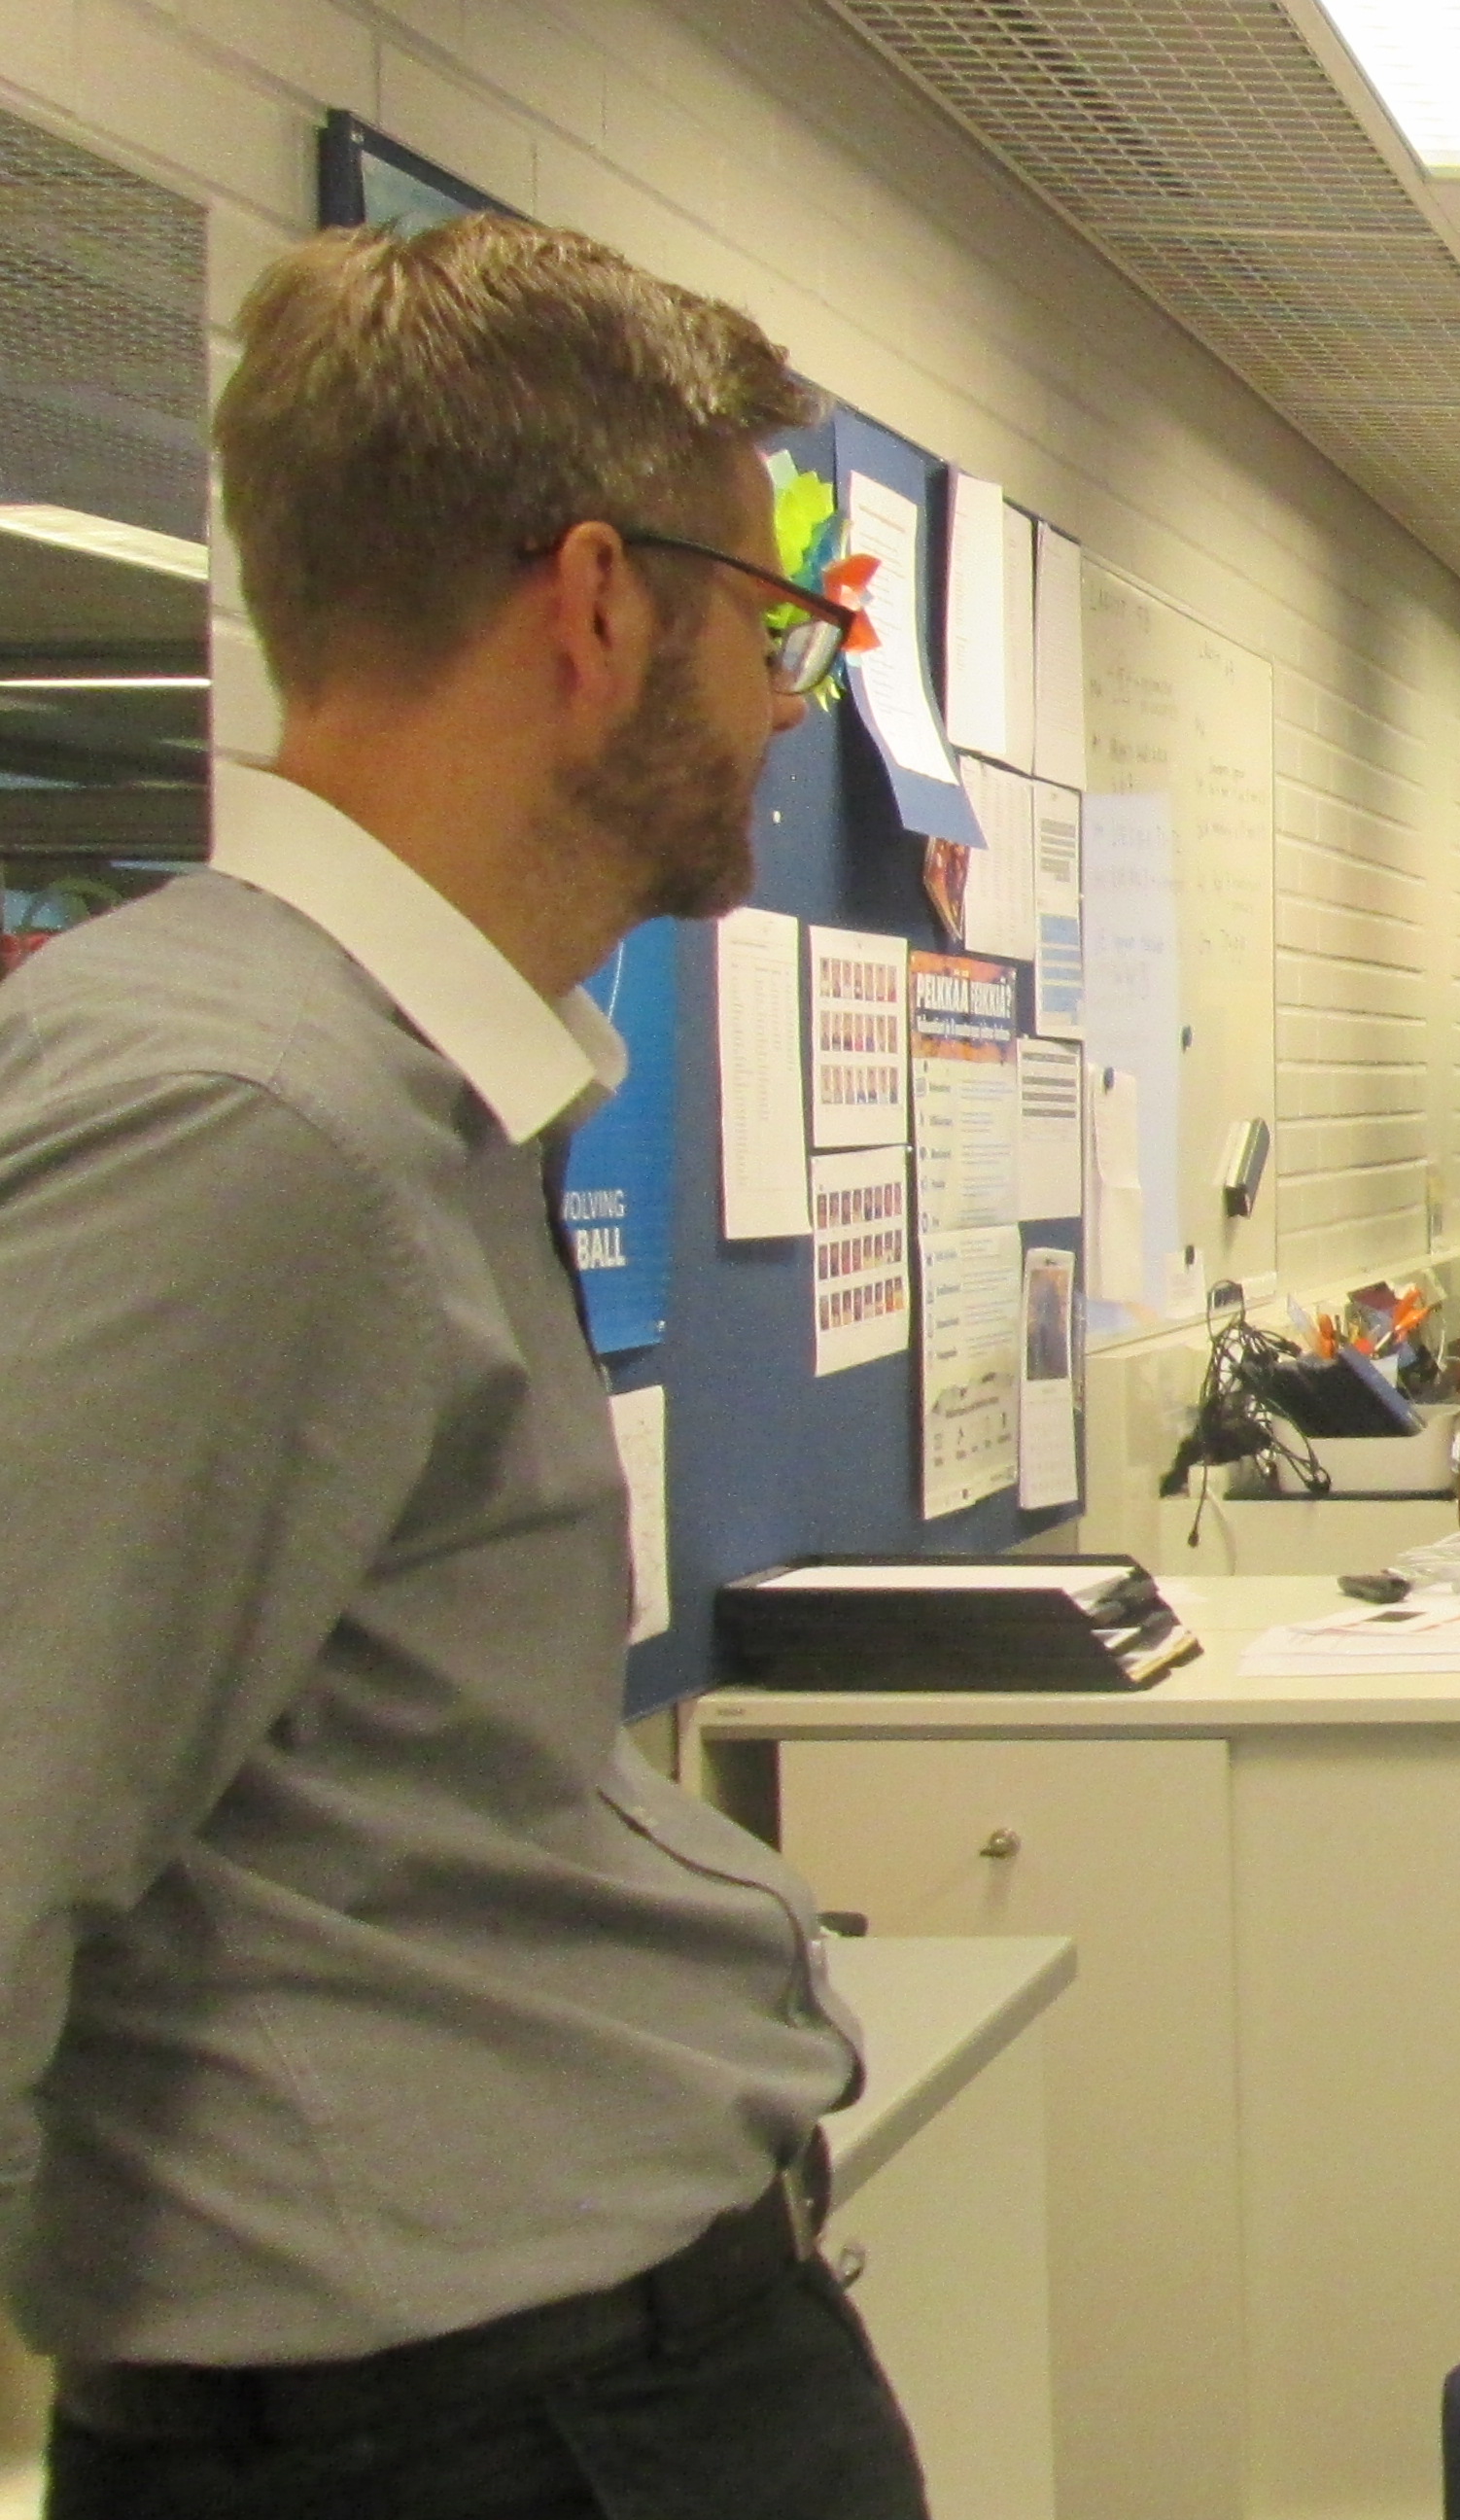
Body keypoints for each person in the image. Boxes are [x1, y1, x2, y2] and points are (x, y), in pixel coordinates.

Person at [0, 218, 919, 2517]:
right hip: (466, 2434)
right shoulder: (246, 1124)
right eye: (774, 623)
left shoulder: (392, 1086)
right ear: (597, 606)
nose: (786, 704)